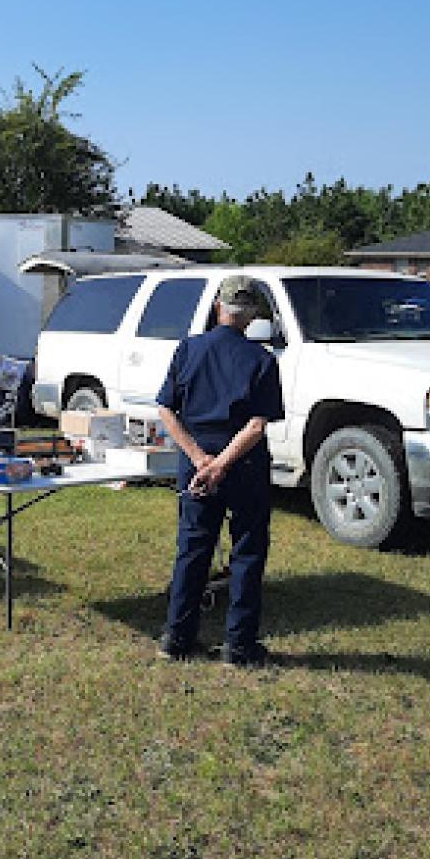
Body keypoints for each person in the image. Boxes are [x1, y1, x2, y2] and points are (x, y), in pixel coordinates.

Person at [155, 274, 285, 667]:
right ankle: (239, 646)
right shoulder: (262, 360)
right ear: (252, 317)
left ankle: (176, 638)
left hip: (198, 462)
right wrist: (222, 464)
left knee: (193, 548)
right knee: (247, 550)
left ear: (218, 307)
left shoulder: (189, 350)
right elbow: (257, 425)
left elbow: (166, 409)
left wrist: (199, 460)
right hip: (243, 464)